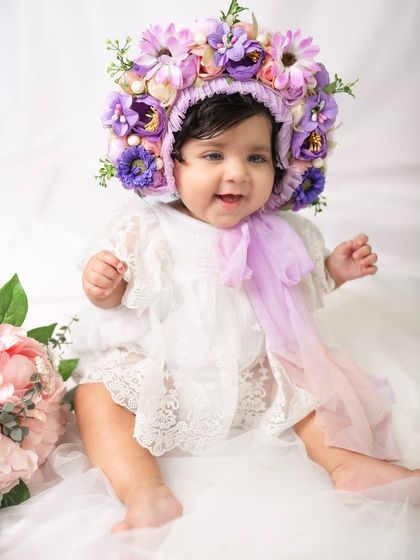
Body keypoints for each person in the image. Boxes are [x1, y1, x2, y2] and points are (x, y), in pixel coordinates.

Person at [74, 5, 420, 534]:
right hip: (164, 374)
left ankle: (347, 465)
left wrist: (331, 270)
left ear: (278, 164)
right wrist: (106, 286)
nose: (237, 173)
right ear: (172, 161)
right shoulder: (149, 229)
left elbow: (296, 293)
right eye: (214, 155)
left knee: (312, 388)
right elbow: (118, 300)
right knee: (96, 397)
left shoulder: (280, 233)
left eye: (256, 158)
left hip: (256, 375)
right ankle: (144, 493)